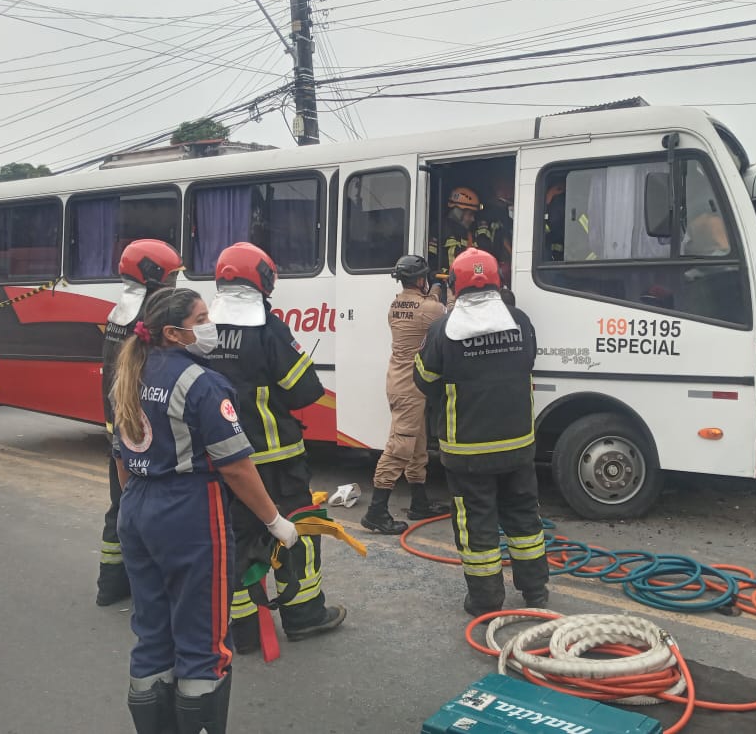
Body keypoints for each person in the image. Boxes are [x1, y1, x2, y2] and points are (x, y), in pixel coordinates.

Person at [111, 286, 299, 734]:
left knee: (153, 635)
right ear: (174, 333)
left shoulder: (129, 373)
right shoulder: (203, 383)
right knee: (203, 643)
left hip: (136, 504)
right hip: (188, 512)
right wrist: (276, 523)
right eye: (200, 319)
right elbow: (236, 467)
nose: (209, 324)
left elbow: (120, 456)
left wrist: (142, 502)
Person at [206, 242, 346, 653]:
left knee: (236, 540)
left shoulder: (201, 327)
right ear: (264, 279)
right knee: (296, 532)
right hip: (276, 460)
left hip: (225, 460)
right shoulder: (269, 328)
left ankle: (241, 632)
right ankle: (304, 615)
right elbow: (306, 390)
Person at [413, 249, 548, 617]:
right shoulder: (520, 321)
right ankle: (535, 589)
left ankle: (486, 600)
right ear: (498, 282)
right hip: (518, 444)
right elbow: (528, 361)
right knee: (523, 517)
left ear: (454, 286)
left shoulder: (442, 330)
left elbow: (423, 380)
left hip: (468, 450)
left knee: (476, 525)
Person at [96, 239, 182, 607]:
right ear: (152, 277)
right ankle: (155, 584)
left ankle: (111, 584)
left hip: (119, 426)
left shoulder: (121, 312)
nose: (176, 284)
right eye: (172, 277)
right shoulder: (149, 317)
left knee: (121, 505)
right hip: (141, 428)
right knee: (153, 507)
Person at [362, 255, 449, 535]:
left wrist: (433, 287)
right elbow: (443, 311)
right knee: (400, 447)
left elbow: (425, 304)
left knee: (416, 445)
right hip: (410, 387)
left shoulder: (395, 305)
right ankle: (376, 511)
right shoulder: (429, 308)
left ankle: (419, 503)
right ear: (422, 280)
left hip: (400, 382)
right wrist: (441, 286)